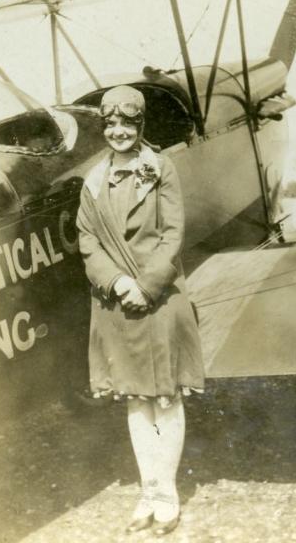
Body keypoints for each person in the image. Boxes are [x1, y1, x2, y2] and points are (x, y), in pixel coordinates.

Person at [76, 86, 205, 536]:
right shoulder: (92, 183)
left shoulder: (161, 169)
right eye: (110, 125)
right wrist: (118, 282)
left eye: (127, 125)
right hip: (117, 302)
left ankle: (166, 495)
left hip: (160, 297)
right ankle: (148, 489)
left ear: (140, 127)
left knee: (165, 397)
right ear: (103, 128)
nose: (117, 132)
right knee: (136, 400)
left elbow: (173, 234)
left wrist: (146, 284)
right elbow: (87, 242)